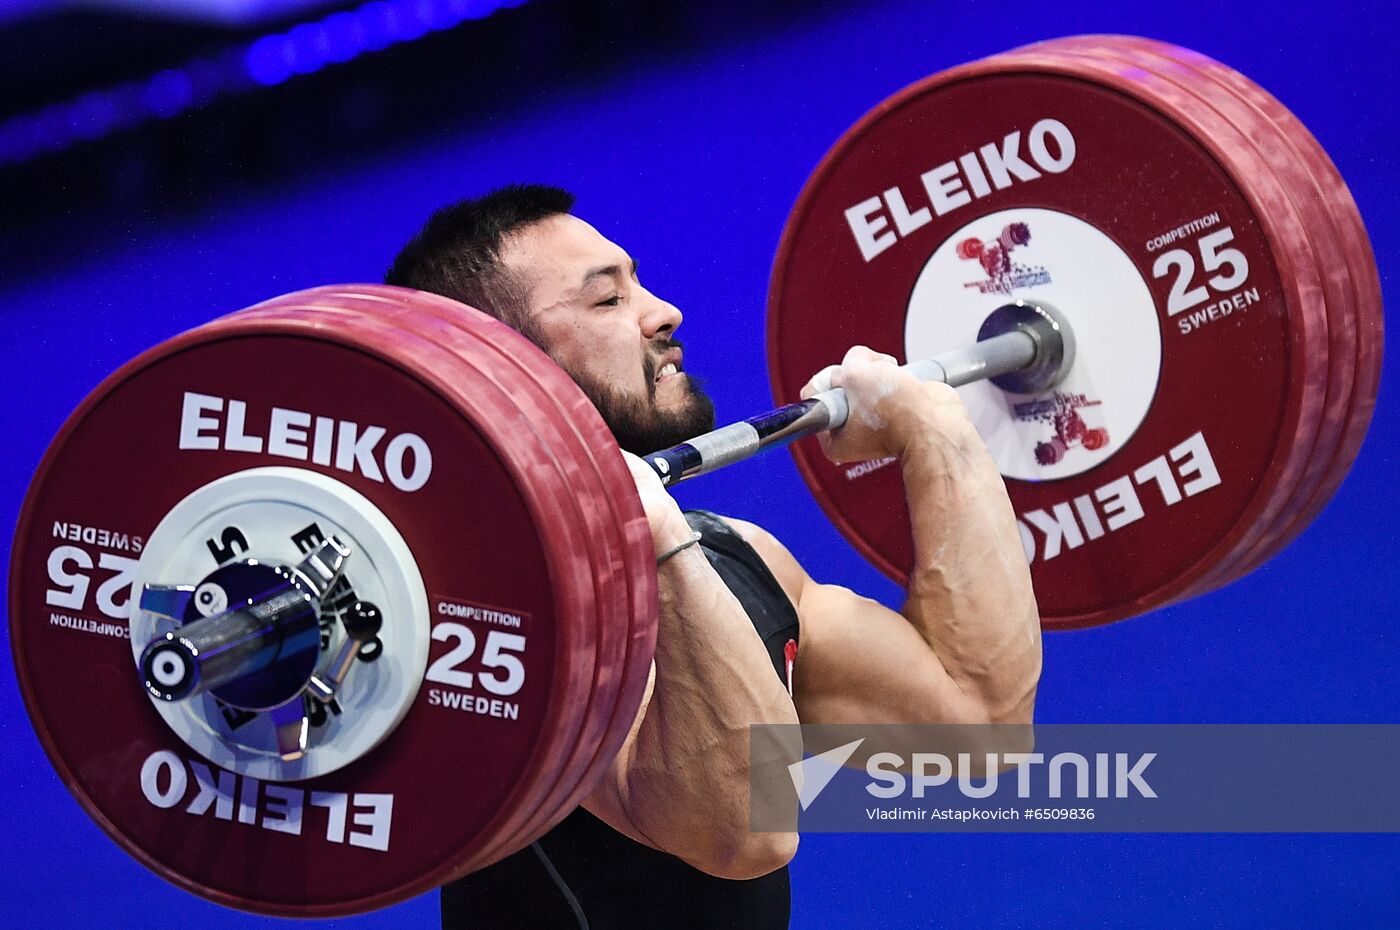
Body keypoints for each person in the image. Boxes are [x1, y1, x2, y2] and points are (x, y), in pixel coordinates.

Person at [386, 184, 1041, 929]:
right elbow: (743, 836)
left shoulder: (736, 554)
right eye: (607, 302)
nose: (664, 311)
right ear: (499, 372)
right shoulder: (486, 621)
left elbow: (976, 727)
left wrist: (933, 428)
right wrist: (656, 538)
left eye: (638, 282)